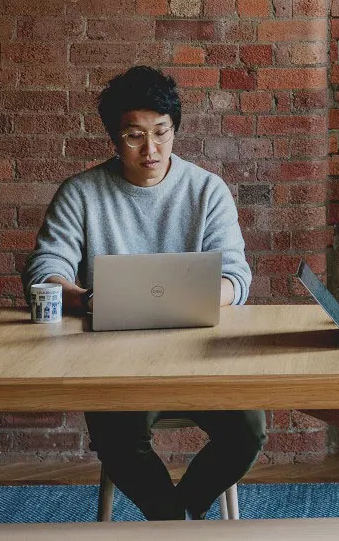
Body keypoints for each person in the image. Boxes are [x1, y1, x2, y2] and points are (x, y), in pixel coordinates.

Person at [24, 65, 265, 520]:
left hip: (200, 353)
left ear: (175, 130)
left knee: (248, 431)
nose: (150, 149)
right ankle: (173, 523)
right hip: (114, 358)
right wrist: (87, 299)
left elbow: (236, 277)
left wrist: (203, 296)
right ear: (115, 137)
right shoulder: (81, 193)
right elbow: (45, 271)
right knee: (118, 439)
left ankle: (180, 516)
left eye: (161, 133)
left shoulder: (207, 190)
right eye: (135, 135)